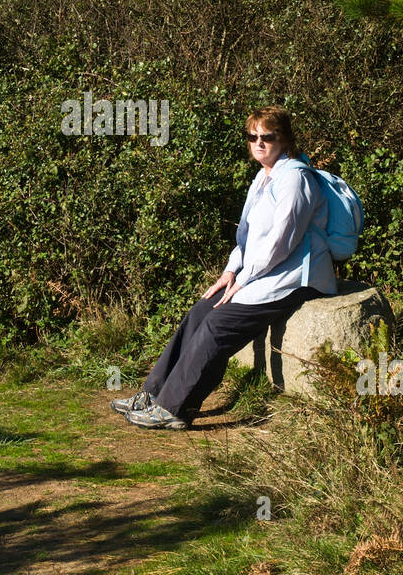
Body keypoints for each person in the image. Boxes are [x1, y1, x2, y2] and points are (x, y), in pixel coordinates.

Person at [111, 106, 337, 430]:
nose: (259, 143)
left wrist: (244, 279)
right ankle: (153, 394)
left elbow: (281, 241)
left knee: (217, 326)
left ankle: (176, 408)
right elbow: (246, 235)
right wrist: (231, 271)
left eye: (267, 136)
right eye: (253, 136)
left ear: (284, 139)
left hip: (296, 277)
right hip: (265, 272)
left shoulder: (295, 178)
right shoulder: (263, 178)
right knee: (200, 313)